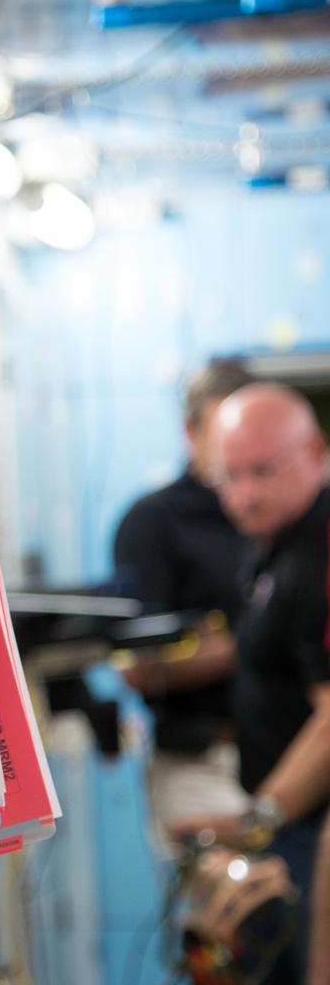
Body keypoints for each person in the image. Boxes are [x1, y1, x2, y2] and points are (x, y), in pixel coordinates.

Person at [171, 382, 330, 984]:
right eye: (227, 476)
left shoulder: (320, 553)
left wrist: (259, 820)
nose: (243, 495)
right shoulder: (275, 548)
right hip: (288, 827)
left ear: (315, 452)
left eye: (262, 471)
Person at [113, 359, 254, 828]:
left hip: (289, 751)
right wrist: (249, 642)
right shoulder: (153, 523)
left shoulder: (288, 519)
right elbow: (136, 666)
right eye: (224, 432)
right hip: (201, 764)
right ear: (191, 433)